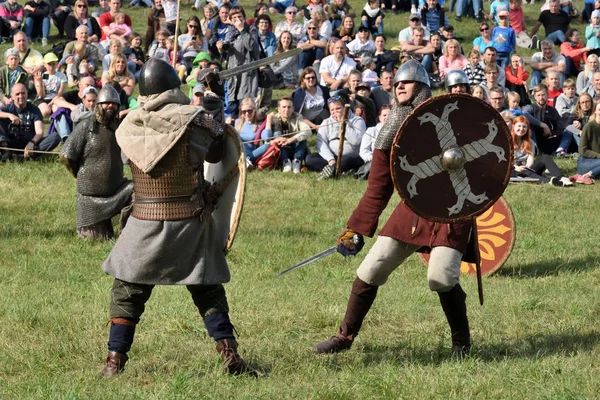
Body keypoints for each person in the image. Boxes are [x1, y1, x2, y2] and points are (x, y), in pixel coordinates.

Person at [99, 58, 257, 378]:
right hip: (189, 221)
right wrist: (213, 102)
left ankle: (114, 362)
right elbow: (217, 151)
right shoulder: (194, 121)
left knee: (128, 291)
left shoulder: (128, 125)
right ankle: (228, 352)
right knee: (208, 288)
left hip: (143, 220)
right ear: (174, 87)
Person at [312, 60, 475, 358]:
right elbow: (378, 186)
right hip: (414, 209)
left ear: (422, 88)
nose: (399, 85)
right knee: (370, 270)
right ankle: (344, 337)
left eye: (407, 82)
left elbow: (479, 162)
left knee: (440, 277)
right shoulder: (389, 132)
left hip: (453, 209)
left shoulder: (445, 117)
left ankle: (461, 343)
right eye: (397, 82)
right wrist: (357, 228)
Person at [59, 85, 134, 240]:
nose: (110, 106)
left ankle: (126, 233)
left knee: (138, 192)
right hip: (91, 200)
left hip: (117, 190)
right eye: (106, 103)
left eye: (113, 103)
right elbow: (66, 155)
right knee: (98, 239)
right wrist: (80, 173)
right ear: (99, 105)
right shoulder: (86, 126)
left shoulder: (118, 127)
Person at [305, 95, 365, 178]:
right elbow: (321, 144)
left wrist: (343, 123)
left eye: (338, 108)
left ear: (345, 108)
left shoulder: (357, 120)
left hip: (351, 157)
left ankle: (331, 172)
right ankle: (338, 170)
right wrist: (330, 159)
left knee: (346, 160)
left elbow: (356, 141)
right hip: (333, 157)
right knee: (310, 159)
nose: (335, 112)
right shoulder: (326, 122)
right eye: (332, 110)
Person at [217, 6, 260, 119]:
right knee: (233, 110)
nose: (237, 20)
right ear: (231, 20)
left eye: (240, 17)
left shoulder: (251, 30)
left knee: (246, 110)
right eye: (234, 17)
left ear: (244, 18)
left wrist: (242, 31)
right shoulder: (230, 33)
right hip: (233, 78)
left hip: (246, 77)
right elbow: (227, 56)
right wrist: (221, 50)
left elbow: (253, 48)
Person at [0, 83, 58, 162]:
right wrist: (9, 115)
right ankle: (5, 152)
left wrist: (32, 143)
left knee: (55, 137)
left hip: (30, 144)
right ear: (12, 96)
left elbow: (39, 132)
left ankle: (24, 157)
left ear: (27, 94)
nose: (21, 96)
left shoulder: (34, 110)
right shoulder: (8, 108)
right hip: (11, 142)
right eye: (17, 94)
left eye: (23, 93)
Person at [511, 116, 572, 186]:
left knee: (545, 157)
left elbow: (530, 158)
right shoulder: (507, 141)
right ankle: (549, 181)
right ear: (513, 126)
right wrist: (516, 167)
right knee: (519, 171)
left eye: (524, 127)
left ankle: (561, 177)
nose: (521, 129)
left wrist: (527, 167)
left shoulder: (530, 142)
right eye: (519, 126)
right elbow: (505, 162)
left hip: (526, 168)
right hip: (513, 169)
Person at [271, 97, 311, 173]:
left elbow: (308, 131)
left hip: (296, 147)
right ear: (278, 108)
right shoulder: (274, 119)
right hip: (282, 149)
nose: (286, 110)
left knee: (302, 138)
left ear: (293, 108)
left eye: (289, 107)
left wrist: (292, 139)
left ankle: (297, 162)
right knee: (278, 140)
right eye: (284, 107)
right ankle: (285, 162)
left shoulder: (298, 117)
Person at [236, 97, 272, 168]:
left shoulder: (259, 124)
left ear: (254, 110)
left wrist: (268, 120)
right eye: (244, 111)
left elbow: (267, 138)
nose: (247, 114)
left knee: (267, 146)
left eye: (249, 111)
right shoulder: (237, 122)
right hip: (238, 151)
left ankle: (247, 160)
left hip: (252, 153)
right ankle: (244, 161)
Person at [358, 104, 390, 179]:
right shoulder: (371, 131)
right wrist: (372, 157)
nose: (387, 117)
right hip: (374, 161)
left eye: (390, 115)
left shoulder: (398, 132)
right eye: (384, 115)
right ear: (380, 118)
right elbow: (363, 151)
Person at [34, 52, 67, 118]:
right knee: (45, 112)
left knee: (58, 111)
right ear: (45, 65)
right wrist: (40, 82)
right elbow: (41, 95)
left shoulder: (61, 76)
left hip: (56, 98)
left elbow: (60, 93)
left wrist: (52, 102)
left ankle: (52, 116)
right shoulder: (42, 76)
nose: (51, 67)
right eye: (49, 64)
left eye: (53, 64)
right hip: (43, 99)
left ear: (56, 64)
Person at [573, 101, 600, 182]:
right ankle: (588, 175)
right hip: (585, 162)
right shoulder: (589, 126)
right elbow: (582, 150)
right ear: (595, 111)